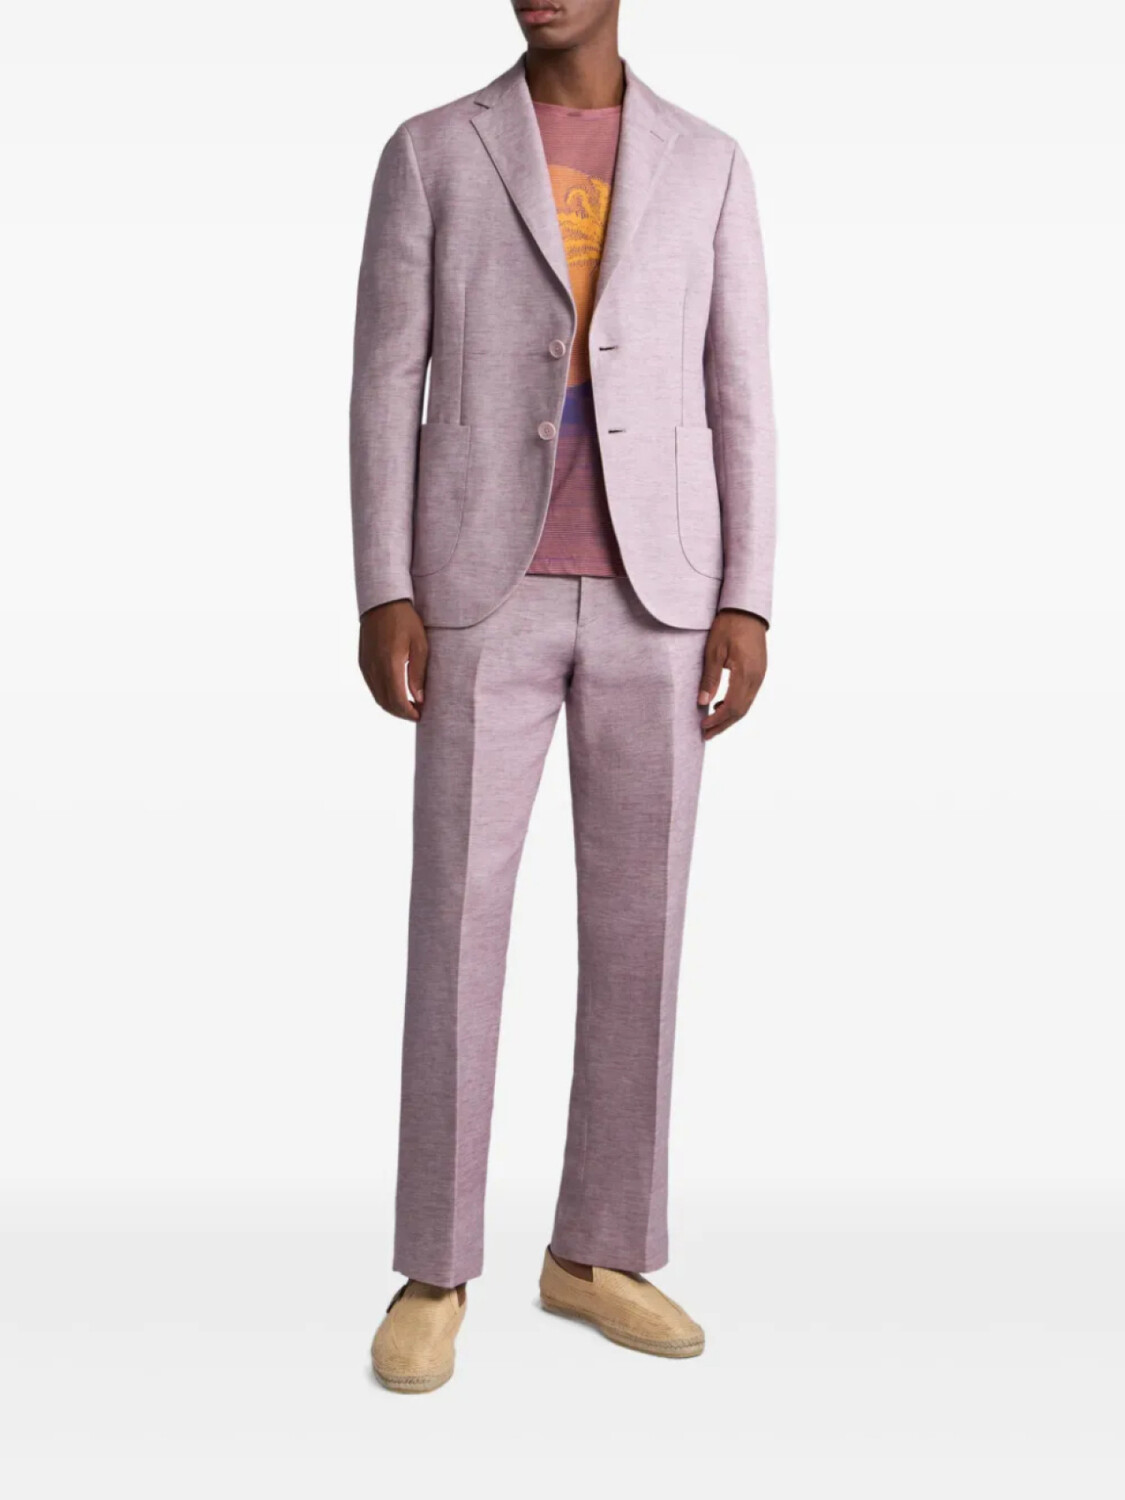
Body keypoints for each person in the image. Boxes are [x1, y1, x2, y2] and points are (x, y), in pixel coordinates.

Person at [352, 0, 776, 1393]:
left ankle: (598, 1251)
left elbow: (739, 389)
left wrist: (749, 592)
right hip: (482, 587)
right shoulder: (432, 150)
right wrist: (384, 582)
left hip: (663, 590)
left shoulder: (708, 161)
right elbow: (383, 377)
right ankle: (434, 1267)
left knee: (642, 935)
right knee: (455, 927)